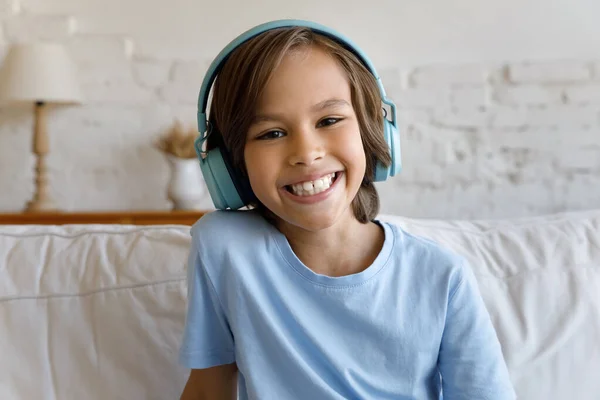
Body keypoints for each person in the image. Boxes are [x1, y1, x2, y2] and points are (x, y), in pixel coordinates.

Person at [179, 19, 516, 400]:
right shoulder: (223, 248)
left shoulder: (441, 277)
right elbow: (209, 390)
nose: (307, 154)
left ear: (374, 130)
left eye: (329, 120)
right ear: (229, 164)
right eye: (271, 133)